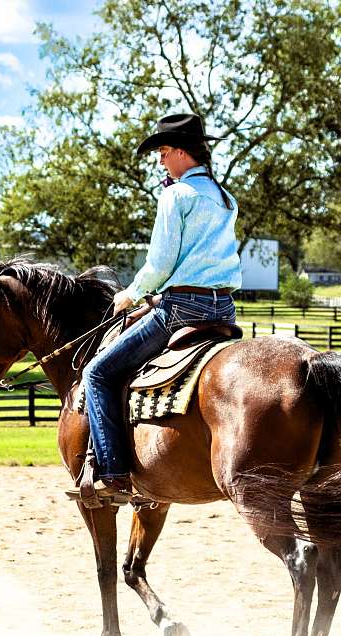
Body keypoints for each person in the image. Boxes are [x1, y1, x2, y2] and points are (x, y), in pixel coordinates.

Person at [82, 112, 242, 495]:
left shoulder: (176, 196)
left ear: (183, 153)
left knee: (98, 373)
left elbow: (160, 263)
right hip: (224, 309)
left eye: (164, 151)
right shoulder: (225, 198)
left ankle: (113, 472)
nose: (160, 160)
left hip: (182, 310)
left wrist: (130, 294)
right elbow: (197, 263)